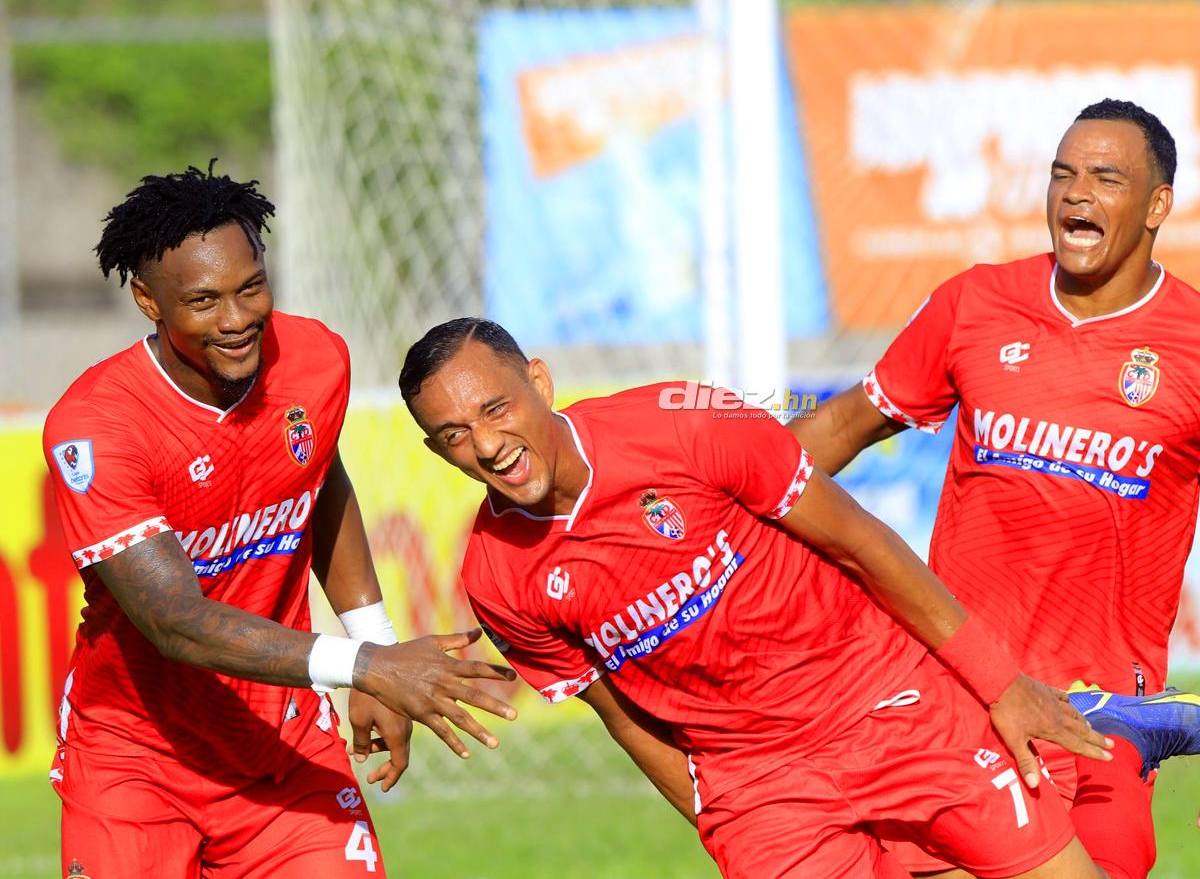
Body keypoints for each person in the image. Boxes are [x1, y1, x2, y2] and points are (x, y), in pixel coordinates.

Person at [400, 317, 1121, 879]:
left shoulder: (684, 423)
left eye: (497, 409)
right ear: (438, 452)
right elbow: (622, 719)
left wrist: (999, 684)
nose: (490, 445)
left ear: (540, 383)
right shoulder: (496, 579)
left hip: (884, 700)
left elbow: (859, 541)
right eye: (456, 434)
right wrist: (716, 819)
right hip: (757, 781)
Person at [42, 163, 517, 878]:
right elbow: (175, 621)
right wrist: (369, 666)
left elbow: (319, 481)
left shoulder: (316, 360)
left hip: (281, 741)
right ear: (148, 300)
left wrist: (372, 644)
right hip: (136, 761)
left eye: (250, 288)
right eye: (203, 301)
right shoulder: (97, 429)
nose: (236, 320)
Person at [785, 99, 1200, 878]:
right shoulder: (976, 303)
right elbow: (838, 429)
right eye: (1062, 175)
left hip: (1102, 712)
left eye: (1106, 178)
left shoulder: (1193, 341)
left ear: (1156, 206)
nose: (1076, 195)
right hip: (960, 694)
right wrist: (712, 492)